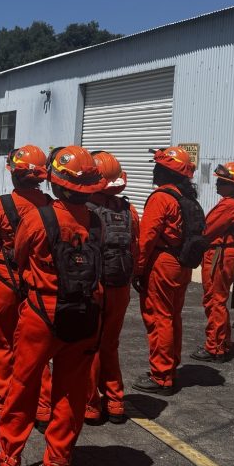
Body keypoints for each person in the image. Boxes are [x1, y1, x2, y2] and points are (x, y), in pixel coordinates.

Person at [0, 146, 105, 466]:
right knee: (71, 393)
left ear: (56, 183)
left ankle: (9, 462)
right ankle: (58, 464)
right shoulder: (97, 221)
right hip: (86, 314)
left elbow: (21, 255)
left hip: (41, 314)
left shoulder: (40, 218)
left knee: (23, 386)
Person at [0, 145, 50, 424]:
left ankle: (0, 403)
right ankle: (43, 407)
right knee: (36, 347)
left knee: (0, 342)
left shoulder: (0, 205)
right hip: (38, 285)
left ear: (14, 174)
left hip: (5, 282)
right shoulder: (49, 206)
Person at [131, 147, 202, 396]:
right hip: (181, 264)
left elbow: (146, 239)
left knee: (159, 318)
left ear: (163, 171)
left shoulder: (161, 197)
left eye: (157, 166)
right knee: (172, 316)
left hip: (162, 264)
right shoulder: (186, 197)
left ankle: (161, 376)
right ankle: (170, 368)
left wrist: (137, 270)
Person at [84, 150, 139, 424]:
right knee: (110, 344)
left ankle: (91, 405)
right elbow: (135, 246)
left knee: (90, 344)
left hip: (96, 286)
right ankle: (115, 402)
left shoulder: (85, 210)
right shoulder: (129, 210)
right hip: (121, 285)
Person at [192, 161, 234, 362]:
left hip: (219, 255)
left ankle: (215, 347)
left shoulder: (230, 205)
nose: (218, 185)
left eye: (223, 182)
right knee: (218, 300)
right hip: (224, 253)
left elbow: (207, 230)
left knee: (214, 300)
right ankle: (222, 342)